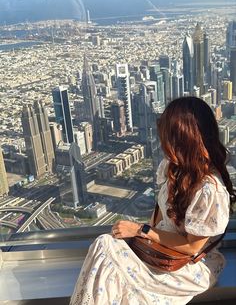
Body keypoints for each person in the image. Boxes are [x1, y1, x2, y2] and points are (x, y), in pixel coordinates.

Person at [70, 97, 235, 305]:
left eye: (169, 139)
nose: (164, 144)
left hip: (188, 265)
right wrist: (142, 240)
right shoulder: (174, 168)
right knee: (107, 250)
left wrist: (141, 231)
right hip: (159, 250)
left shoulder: (210, 189)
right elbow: (160, 213)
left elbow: (193, 247)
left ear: (187, 140)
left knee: (106, 248)